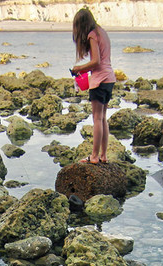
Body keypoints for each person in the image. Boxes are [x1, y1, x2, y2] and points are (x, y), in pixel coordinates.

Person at [71, 7, 113, 164]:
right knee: (103, 119)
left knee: (97, 118)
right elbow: (103, 59)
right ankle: (103, 155)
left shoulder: (92, 35)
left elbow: (96, 61)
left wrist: (79, 68)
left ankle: (94, 157)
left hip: (100, 80)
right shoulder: (102, 32)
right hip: (109, 79)